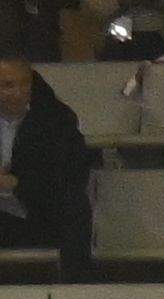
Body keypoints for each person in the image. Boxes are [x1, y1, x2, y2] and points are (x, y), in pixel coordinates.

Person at [0, 56, 100, 259]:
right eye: (8, 85)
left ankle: (73, 284)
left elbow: (69, 175)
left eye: (24, 83)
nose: (18, 93)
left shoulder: (56, 119)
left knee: (74, 207)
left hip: (40, 209)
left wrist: (16, 183)